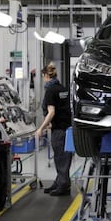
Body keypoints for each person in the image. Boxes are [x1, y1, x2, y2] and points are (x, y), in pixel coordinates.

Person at [36, 63, 73, 196]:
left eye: (43, 77)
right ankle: (59, 182)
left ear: (46, 75)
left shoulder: (51, 91)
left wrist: (41, 128)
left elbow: (51, 112)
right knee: (63, 156)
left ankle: (63, 186)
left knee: (61, 158)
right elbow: (64, 110)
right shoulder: (62, 89)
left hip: (59, 131)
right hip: (66, 127)